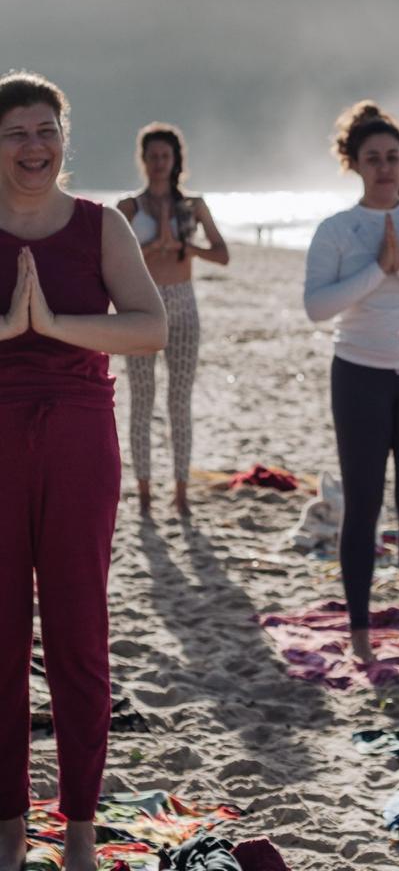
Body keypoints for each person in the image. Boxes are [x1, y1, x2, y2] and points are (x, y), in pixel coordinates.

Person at [0, 72, 166, 871]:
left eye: (45, 130)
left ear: (64, 136)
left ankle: (77, 827)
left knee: (78, 632)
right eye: (15, 133)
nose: (34, 147)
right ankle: (5, 827)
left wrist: (56, 325)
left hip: (78, 439)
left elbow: (150, 329)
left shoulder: (99, 227)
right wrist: (6, 328)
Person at [304, 102, 399, 664]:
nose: (386, 167)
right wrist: (376, 271)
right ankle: (361, 631)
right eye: (374, 158)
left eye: (394, 157)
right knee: (363, 505)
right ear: (355, 164)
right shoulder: (338, 229)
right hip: (358, 375)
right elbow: (317, 307)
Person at [118, 123, 229, 517]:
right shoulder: (129, 208)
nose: (159, 163)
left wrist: (185, 246)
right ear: (143, 160)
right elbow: (115, 261)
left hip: (184, 303)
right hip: (142, 304)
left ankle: (180, 490)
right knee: (142, 401)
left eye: (166, 156)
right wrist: (152, 247)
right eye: (152, 157)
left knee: (179, 402)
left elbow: (222, 253)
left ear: (176, 160)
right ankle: (144, 490)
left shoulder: (193, 206)